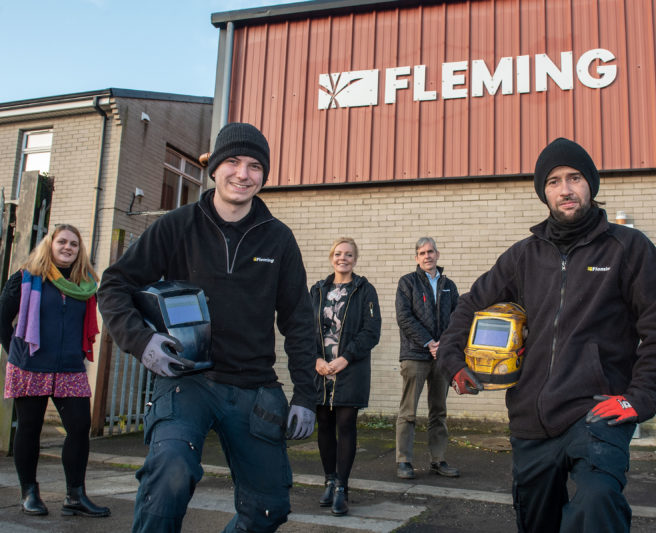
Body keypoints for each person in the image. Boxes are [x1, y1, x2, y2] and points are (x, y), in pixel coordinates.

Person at [437, 138, 656, 533]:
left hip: (598, 411)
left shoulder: (629, 248)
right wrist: (452, 363)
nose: (565, 189)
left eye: (574, 178)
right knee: (537, 521)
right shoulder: (523, 255)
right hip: (531, 415)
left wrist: (640, 397)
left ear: (591, 185)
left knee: (598, 500)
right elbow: (470, 305)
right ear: (544, 192)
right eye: (553, 182)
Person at [97, 122, 318, 533]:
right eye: (232, 162)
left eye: (254, 166)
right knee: (171, 474)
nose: (242, 174)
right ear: (213, 168)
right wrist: (142, 341)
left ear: (263, 176)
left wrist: (306, 393)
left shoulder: (279, 240)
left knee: (269, 508)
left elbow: (299, 322)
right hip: (188, 381)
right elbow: (114, 285)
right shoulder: (177, 226)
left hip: (254, 386)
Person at [0, 224, 110, 518]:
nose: (68, 248)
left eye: (74, 244)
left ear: (79, 250)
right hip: (31, 366)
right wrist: (17, 353)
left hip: (70, 368)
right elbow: (2, 319)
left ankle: (75, 496)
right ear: (50, 244)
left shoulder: (85, 285)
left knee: (78, 428)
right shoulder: (25, 279)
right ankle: (30, 493)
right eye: (62, 242)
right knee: (29, 429)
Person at [310, 237, 381, 516]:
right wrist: (316, 358)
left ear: (355, 259)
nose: (343, 258)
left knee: (346, 424)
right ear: (331, 258)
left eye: (349, 254)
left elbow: (371, 331)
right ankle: (328, 480)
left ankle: (342, 487)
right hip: (320, 370)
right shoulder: (317, 290)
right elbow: (305, 327)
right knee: (324, 425)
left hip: (350, 368)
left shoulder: (364, 290)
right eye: (338, 254)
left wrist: (345, 358)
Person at [395, 237, 460, 480]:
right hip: (415, 355)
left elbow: (457, 318)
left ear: (437, 254)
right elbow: (404, 317)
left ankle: (438, 459)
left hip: (441, 357)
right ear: (416, 258)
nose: (427, 256)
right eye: (422, 253)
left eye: (430, 251)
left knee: (438, 411)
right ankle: (404, 461)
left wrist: (444, 344)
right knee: (408, 411)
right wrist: (429, 342)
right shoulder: (407, 283)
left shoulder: (449, 285)